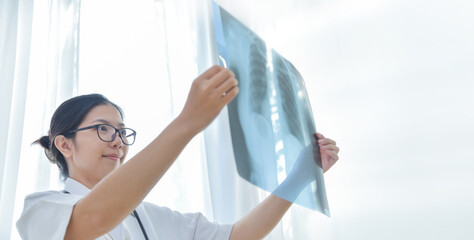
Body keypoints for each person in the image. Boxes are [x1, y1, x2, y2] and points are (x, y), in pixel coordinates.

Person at [14, 65, 340, 240]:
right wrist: (187, 123)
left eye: (122, 131)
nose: (118, 141)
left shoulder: (151, 217)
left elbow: (238, 237)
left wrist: (299, 178)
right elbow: (94, 218)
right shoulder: (41, 211)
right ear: (65, 144)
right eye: (103, 129)